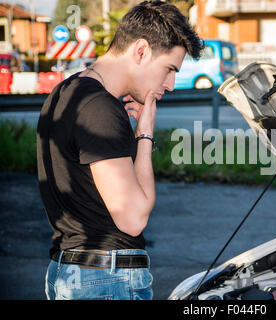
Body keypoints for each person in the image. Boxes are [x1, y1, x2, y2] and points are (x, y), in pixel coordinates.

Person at [37, 1, 203, 300]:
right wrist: (145, 134)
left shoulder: (65, 92)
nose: (172, 84)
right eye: (168, 69)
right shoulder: (100, 108)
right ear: (141, 50)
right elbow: (133, 217)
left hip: (74, 272)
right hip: (105, 280)